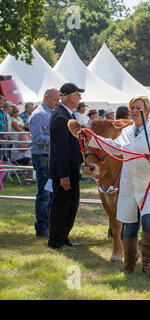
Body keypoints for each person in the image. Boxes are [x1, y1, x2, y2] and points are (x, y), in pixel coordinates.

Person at [89, 96, 150, 277]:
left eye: (138, 108)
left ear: (147, 111)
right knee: (129, 226)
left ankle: (148, 264)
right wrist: (94, 139)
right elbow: (114, 147)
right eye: (132, 108)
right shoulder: (127, 132)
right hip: (129, 184)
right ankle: (129, 265)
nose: (134, 111)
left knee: (149, 221)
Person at [48, 83, 84, 250]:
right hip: (65, 171)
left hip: (72, 169)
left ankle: (64, 237)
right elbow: (60, 151)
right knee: (61, 206)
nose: (79, 98)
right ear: (71, 96)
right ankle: (56, 240)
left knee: (71, 205)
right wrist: (63, 176)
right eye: (78, 95)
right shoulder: (61, 117)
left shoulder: (68, 115)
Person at [29, 88, 61, 238]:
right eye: (55, 99)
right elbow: (37, 138)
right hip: (42, 157)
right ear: (46, 97)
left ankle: (47, 224)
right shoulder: (40, 114)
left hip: (49, 157)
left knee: (50, 192)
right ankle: (42, 227)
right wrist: (55, 141)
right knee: (44, 194)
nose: (57, 102)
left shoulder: (49, 112)